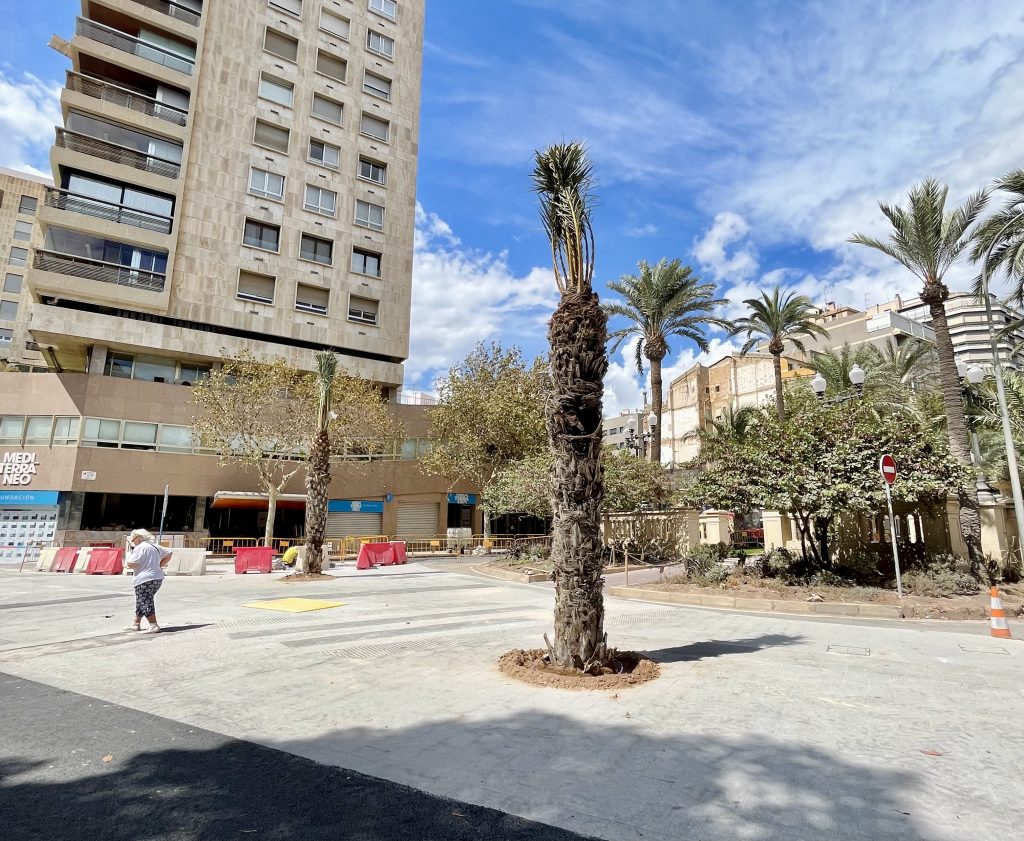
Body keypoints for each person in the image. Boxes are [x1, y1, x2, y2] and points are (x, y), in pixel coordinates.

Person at [125, 529, 171, 633]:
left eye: (133, 539)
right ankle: (136, 623)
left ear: (139, 538)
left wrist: (128, 560)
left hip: (144, 578)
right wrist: (158, 565)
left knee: (145, 601)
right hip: (157, 577)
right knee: (142, 599)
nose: (133, 542)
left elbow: (132, 563)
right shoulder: (155, 546)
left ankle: (153, 624)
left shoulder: (140, 548)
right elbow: (169, 554)